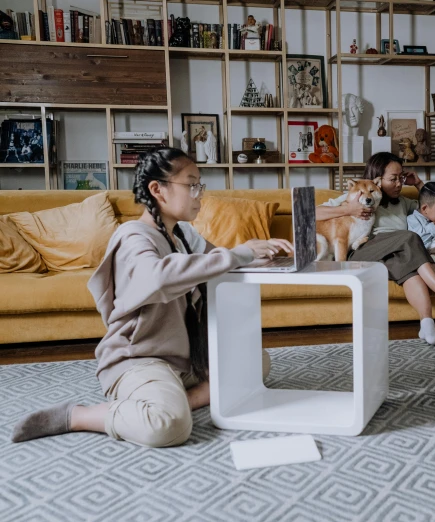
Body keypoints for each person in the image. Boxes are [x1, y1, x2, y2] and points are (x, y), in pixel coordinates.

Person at [11, 148, 293, 446]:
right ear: (157, 189)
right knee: (167, 426)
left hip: (187, 358)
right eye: (192, 185)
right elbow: (158, 277)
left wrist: (265, 253)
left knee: (257, 362)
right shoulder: (133, 237)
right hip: (141, 359)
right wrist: (238, 254)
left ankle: (180, 399)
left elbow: (220, 263)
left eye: (201, 185)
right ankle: (79, 415)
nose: (200, 194)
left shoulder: (185, 234)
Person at [316, 152, 435, 345]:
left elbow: (432, 208)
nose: (398, 184)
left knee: (411, 272)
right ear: (377, 179)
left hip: (396, 253)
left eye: (401, 178)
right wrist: (348, 209)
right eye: (393, 179)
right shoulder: (360, 196)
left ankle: (427, 326)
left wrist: (419, 184)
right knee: (410, 237)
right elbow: (312, 213)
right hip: (364, 250)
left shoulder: (403, 202)